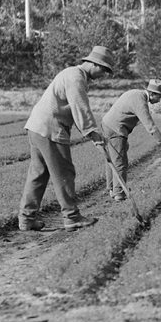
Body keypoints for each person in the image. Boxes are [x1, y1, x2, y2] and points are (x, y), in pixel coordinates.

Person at [18, 45, 113, 231]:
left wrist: (92, 133)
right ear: (94, 64)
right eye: (104, 70)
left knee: (38, 173)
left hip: (37, 127)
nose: (104, 74)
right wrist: (93, 134)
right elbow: (80, 107)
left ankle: (26, 219)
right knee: (64, 173)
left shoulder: (74, 74)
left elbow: (77, 109)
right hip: (50, 129)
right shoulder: (76, 77)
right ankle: (72, 217)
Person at [101, 79, 161, 201]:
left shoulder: (136, 93)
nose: (159, 100)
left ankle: (111, 188)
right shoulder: (140, 101)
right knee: (120, 161)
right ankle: (119, 194)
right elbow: (150, 126)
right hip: (116, 128)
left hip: (107, 124)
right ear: (153, 94)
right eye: (159, 97)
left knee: (112, 158)